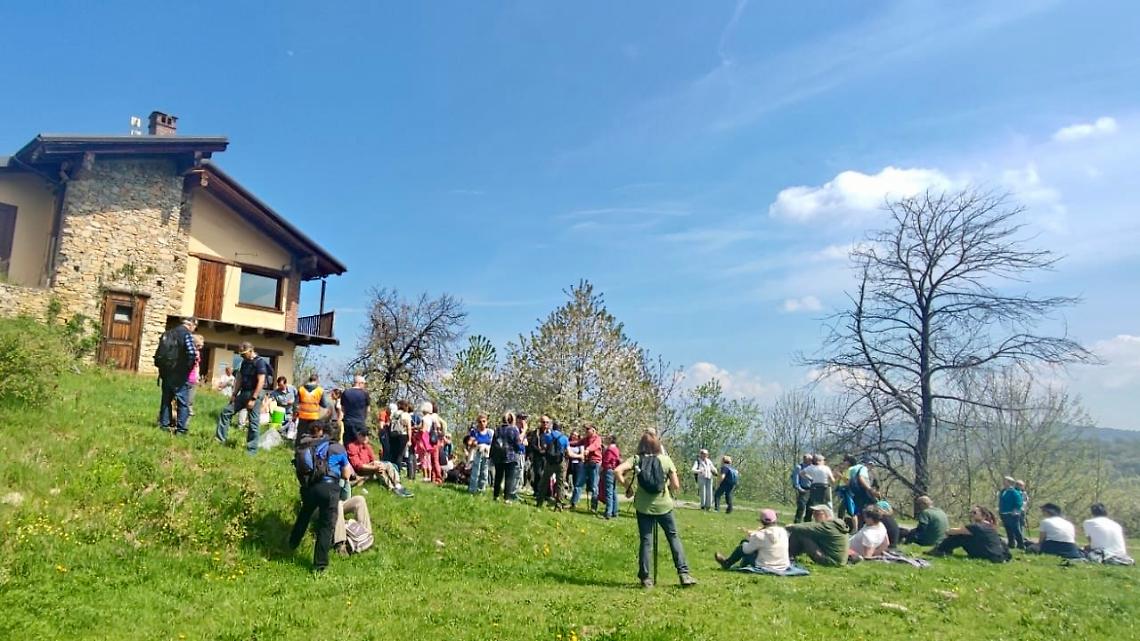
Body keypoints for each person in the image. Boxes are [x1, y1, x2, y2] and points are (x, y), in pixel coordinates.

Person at [615, 430, 697, 589]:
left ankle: (645, 578)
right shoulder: (666, 460)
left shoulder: (636, 459)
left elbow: (617, 470)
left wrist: (627, 487)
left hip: (643, 506)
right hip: (664, 506)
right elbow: (676, 485)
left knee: (646, 541)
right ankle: (684, 574)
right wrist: (665, 486)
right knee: (673, 537)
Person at [288, 419, 355, 572]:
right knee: (326, 526)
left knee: (304, 515)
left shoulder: (316, 444)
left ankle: (292, 543)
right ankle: (320, 565)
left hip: (311, 487)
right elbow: (346, 474)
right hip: (329, 489)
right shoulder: (338, 448)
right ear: (339, 434)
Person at [215, 342, 268, 455]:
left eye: (243, 354)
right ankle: (219, 440)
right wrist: (234, 394)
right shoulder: (244, 362)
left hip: (255, 393)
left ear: (251, 351)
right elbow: (239, 378)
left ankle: (251, 451)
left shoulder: (260, 362)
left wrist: (253, 399)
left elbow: (261, 381)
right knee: (226, 412)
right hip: (243, 393)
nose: (241, 356)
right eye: (240, 354)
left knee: (253, 422)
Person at [156, 317, 198, 435]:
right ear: (191, 324)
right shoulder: (186, 335)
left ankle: (164, 426)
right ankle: (181, 430)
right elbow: (192, 353)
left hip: (166, 372)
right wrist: (187, 368)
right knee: (182, 403)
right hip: (180, 374)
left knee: (166, 400)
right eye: (195, 327)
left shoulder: (169, 333)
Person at [714, 508, 789, 572]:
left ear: (761, 521)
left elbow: (746, 550)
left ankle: (727, 563)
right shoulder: (783, 532)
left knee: (743, 545)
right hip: (783, 566)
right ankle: (740, 564)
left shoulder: (759, 535)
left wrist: (749, 538)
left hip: (766, 566)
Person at [930, 505, 1011, 563]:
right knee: (963, 535)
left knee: (960, 536)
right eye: (971, 512)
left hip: (988, 556)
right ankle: (943, 549)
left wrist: (948, 532)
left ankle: (940, 550)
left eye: (974, 513)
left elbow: (951, 531)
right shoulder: (990, 526)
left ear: (983, 515)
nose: (972, 515)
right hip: (999, 556)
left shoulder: (975, 527)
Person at [786, 504, 850, 566]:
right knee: (807, 534)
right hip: (838, 561)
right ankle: (789, 556)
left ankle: (788, 556)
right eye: (813, 513)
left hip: (832, 561)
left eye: (817, 514)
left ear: (825, 514)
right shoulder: (835, 524)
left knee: (800, 534)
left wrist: (790, 526)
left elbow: (805, 527)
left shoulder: (827, 526)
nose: (814, 516)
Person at [536, 419, 569, 510]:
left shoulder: (548, 436)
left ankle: (539, 502)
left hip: (549, 462)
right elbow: (568, 452)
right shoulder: (564, 438)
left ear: (553, 427)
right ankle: (558, 505)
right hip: (560, 462)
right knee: (560, 484)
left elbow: (544, 447)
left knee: (544, 481)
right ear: (561, 428)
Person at [492, 411, 524, 502]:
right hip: (511, 456)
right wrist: (521, 447)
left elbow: (493, 443)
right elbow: (517, 444)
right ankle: (507, 498)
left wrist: (491, 455)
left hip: (498, 456)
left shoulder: (497, 429)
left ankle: (496, 496)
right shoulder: (514, 430)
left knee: (498, 477)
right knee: (509, 478)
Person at [571, 424, 603, 512]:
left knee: (594, 486)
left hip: (594, 464)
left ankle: (593, 507)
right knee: (578, 484)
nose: (586, 431)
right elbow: (577, 443)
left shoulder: (597, 438)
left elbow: (595, 446)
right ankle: (573, 503)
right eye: (586, 429)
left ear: (593, 430)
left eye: (588, 429)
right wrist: (567, 443)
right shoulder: (585, 439)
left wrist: (588, 449)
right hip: (586, 463)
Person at [843, 455, 878, 525]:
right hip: (862, 492)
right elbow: (861, 478)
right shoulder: (863, 468)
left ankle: (859, 526)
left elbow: (847, 481)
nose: (872, 467)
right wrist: (870, 489)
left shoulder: (852, 468)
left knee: (858, 511)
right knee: (873, 507)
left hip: (854, 493)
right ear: (867, 463)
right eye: (871, 465)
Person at [294, 374, 328, 444]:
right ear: (317, 380)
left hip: (302, 416)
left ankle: (298, 447)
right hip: (314, 416)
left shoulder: (301, 389)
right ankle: (310, 448)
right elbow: (324, 405)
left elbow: (295, 404)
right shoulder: (320, 390)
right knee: (312, 434)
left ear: (309, 380)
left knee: (300, 433)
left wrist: (295, 414)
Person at [998, 476, 1026, 550]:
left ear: (1009, 482)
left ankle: (1021, 544)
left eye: (1005, 481)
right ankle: (1011, 543)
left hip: (1012, 514)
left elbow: (1019, 502)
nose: (1003, 482)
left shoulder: (1014, 492)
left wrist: (1015, 510)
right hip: (1004, 513)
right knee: (1008, 529)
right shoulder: (1003, 491)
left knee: (1016, 529)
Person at [340, 375, 370, 445]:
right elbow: (368, 410)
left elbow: (342, 408)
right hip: (360, 422)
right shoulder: (365, 394)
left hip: (348, 421)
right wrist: (364, 418)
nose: (364, 385)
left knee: (348, 443)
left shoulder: (345, 393)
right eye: (364, 383)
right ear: (359, 383)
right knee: (362, 443)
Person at [468, 413, 493, 494]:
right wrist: (473, 443)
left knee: (484, 472)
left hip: (486, 454)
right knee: (475, 472)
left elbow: (492, 443)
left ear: (487, 422)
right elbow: (469, 442)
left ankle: (482, 489)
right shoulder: (474, 432)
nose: (482, 423)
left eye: (484, 421)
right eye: (480, 421)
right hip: (477, 453)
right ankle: (472, 489)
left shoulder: (490, 432)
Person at [600, 434, 622, 519]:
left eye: (608, 438)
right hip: (614, 470)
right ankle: (615, 511)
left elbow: (606, 461)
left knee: (609, 492)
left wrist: (601, 470)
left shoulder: (610, 449)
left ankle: (608, 512)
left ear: (611, 439)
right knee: (613, 491)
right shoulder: (616, 449)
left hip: (609, 470)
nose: (606, 439)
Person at [186, 334, 205, 418]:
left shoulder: (197, 353)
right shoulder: (188, 351)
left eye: (201, 346)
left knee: (190, 399)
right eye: (198, 345)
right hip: (186, 378)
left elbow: (197, 366)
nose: (200, 348)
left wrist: (197, 376)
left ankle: (188, 413)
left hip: (193, 379)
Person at [791, 454, 813, 523]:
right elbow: (795, 478)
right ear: (805, 459)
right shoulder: (799, 467)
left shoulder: (812, 467)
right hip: (804, 489)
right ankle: (797, 522)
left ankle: (808, 523)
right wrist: (799, 488)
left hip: (812, 489)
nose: (811, 461)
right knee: (801, 507)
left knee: (810, 508)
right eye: (809, 459)